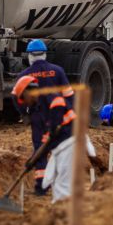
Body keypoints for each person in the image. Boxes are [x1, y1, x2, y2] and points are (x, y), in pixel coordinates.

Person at [11, 74, 93, 202]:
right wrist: (34, 159)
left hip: (71, 141)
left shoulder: (46, 96)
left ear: (28, 92)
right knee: (53, 179)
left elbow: (58, 103)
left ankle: (66, 212)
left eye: (23, 98)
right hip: (61, 145)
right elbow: (46, 138)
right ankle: (60, 210)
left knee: (62, 184)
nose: (24, 102)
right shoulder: (38, 108)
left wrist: (54, 124)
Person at [16, 39, 74, 195]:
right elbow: (69, 96)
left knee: (39, 151)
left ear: (29, 55)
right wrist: (67, 114)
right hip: (57, 117)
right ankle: (61, 184)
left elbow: (17, 97)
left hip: (38, 118)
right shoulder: (58, 71)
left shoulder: (24, 75)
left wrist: (24, 114)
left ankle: (41, 186)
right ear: (45, 54)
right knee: (59, 151)